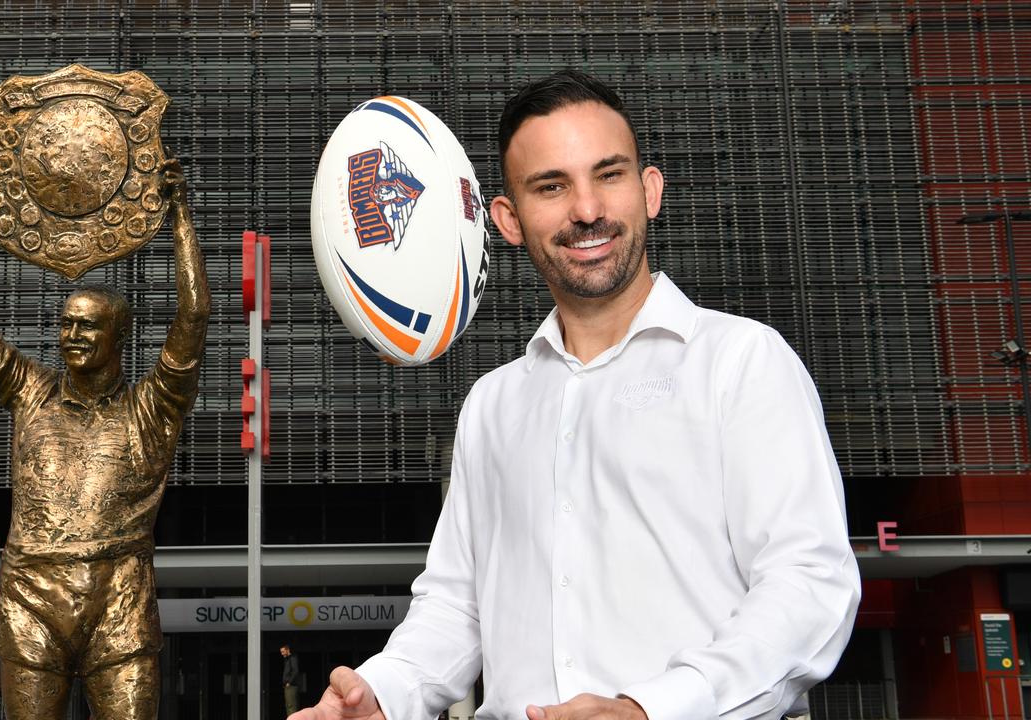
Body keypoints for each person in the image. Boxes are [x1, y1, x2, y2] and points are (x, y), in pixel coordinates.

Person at [290, 69, 860, 720]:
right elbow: (457, 607)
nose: (586, 210)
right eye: (551, 186)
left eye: (609, 174)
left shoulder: (741, 363)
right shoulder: (492, 407)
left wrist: (651, 709)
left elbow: (810, 586)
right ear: (506, 218)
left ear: (650, 190)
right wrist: (382, 696)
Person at [0, 155, 209, 720]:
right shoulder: (29, 389)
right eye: (66, 325)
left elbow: (193, 320)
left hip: (120, 598)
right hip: (32, 597)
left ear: (119, 337)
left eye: (88, 326)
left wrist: (182, 217)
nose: (72, 336)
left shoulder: (152, 408)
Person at [282, 643, 302, 716]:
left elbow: (295, 671)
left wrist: (289, 682)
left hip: (291, 686)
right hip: (288, 686)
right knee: (288, 705)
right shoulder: (287, 659)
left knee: (291, 706)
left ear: (287, 650)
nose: (282, 654)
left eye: (283, 651)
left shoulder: (293, 658)